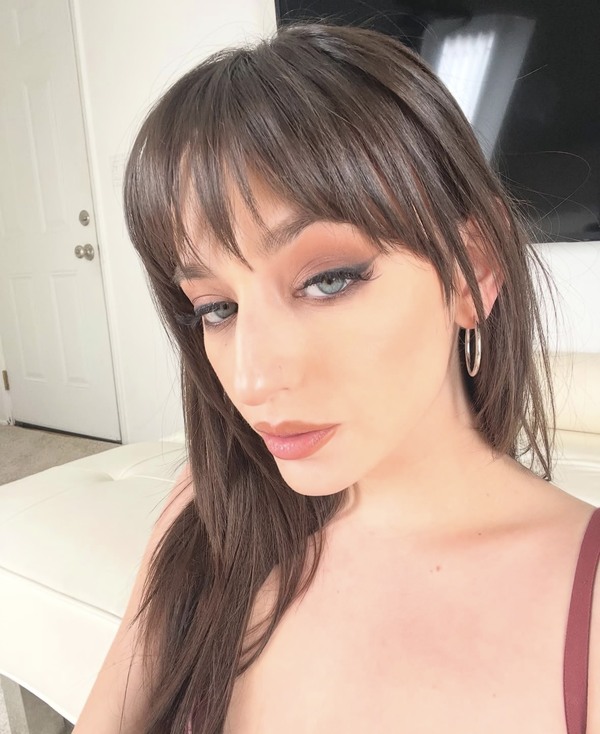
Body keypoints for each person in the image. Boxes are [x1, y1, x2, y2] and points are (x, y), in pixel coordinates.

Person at [73, 22, 599, 734]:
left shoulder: (585, 606)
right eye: (216, 308)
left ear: (472, 268)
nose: (251, 381)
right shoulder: (210, 511)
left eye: (328, 280)